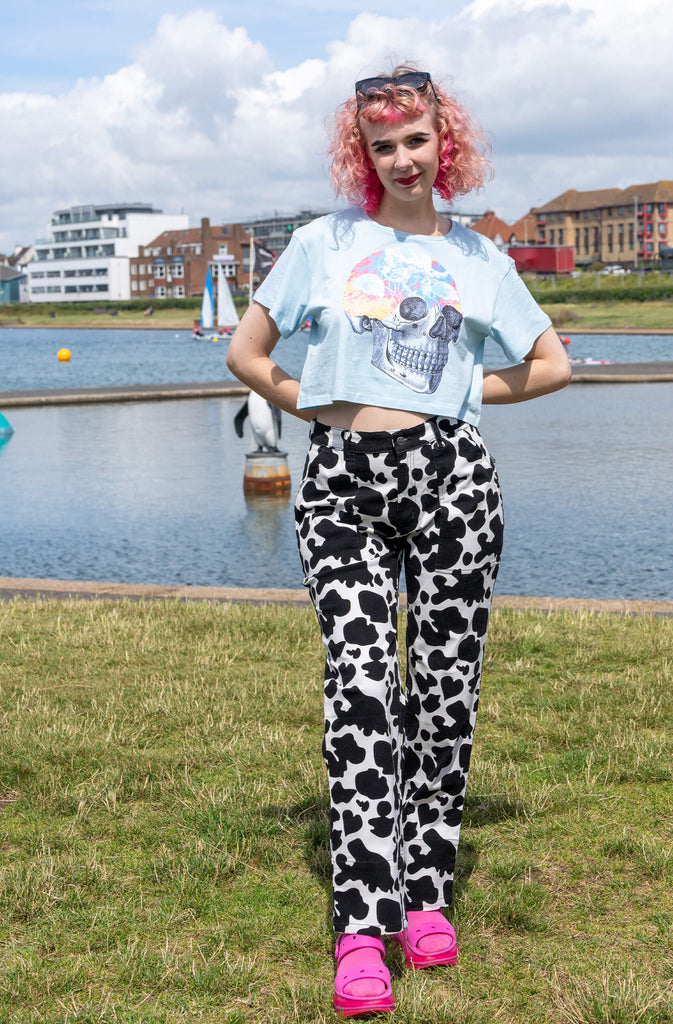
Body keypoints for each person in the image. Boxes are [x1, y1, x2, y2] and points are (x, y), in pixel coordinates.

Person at [226, 65, 571, 1018]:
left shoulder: (479, 258)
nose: (403, 158)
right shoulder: (321, 243)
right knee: (363, 687)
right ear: (363, 156)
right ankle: (360, 926)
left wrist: (457, 394)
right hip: (342, 483)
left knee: (445, 690)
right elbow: (247, 354)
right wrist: (318, 406)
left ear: (443, 143)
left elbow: (550, 365)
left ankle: (427, 896)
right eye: (383, 146)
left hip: (453, 476)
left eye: (416, 139)